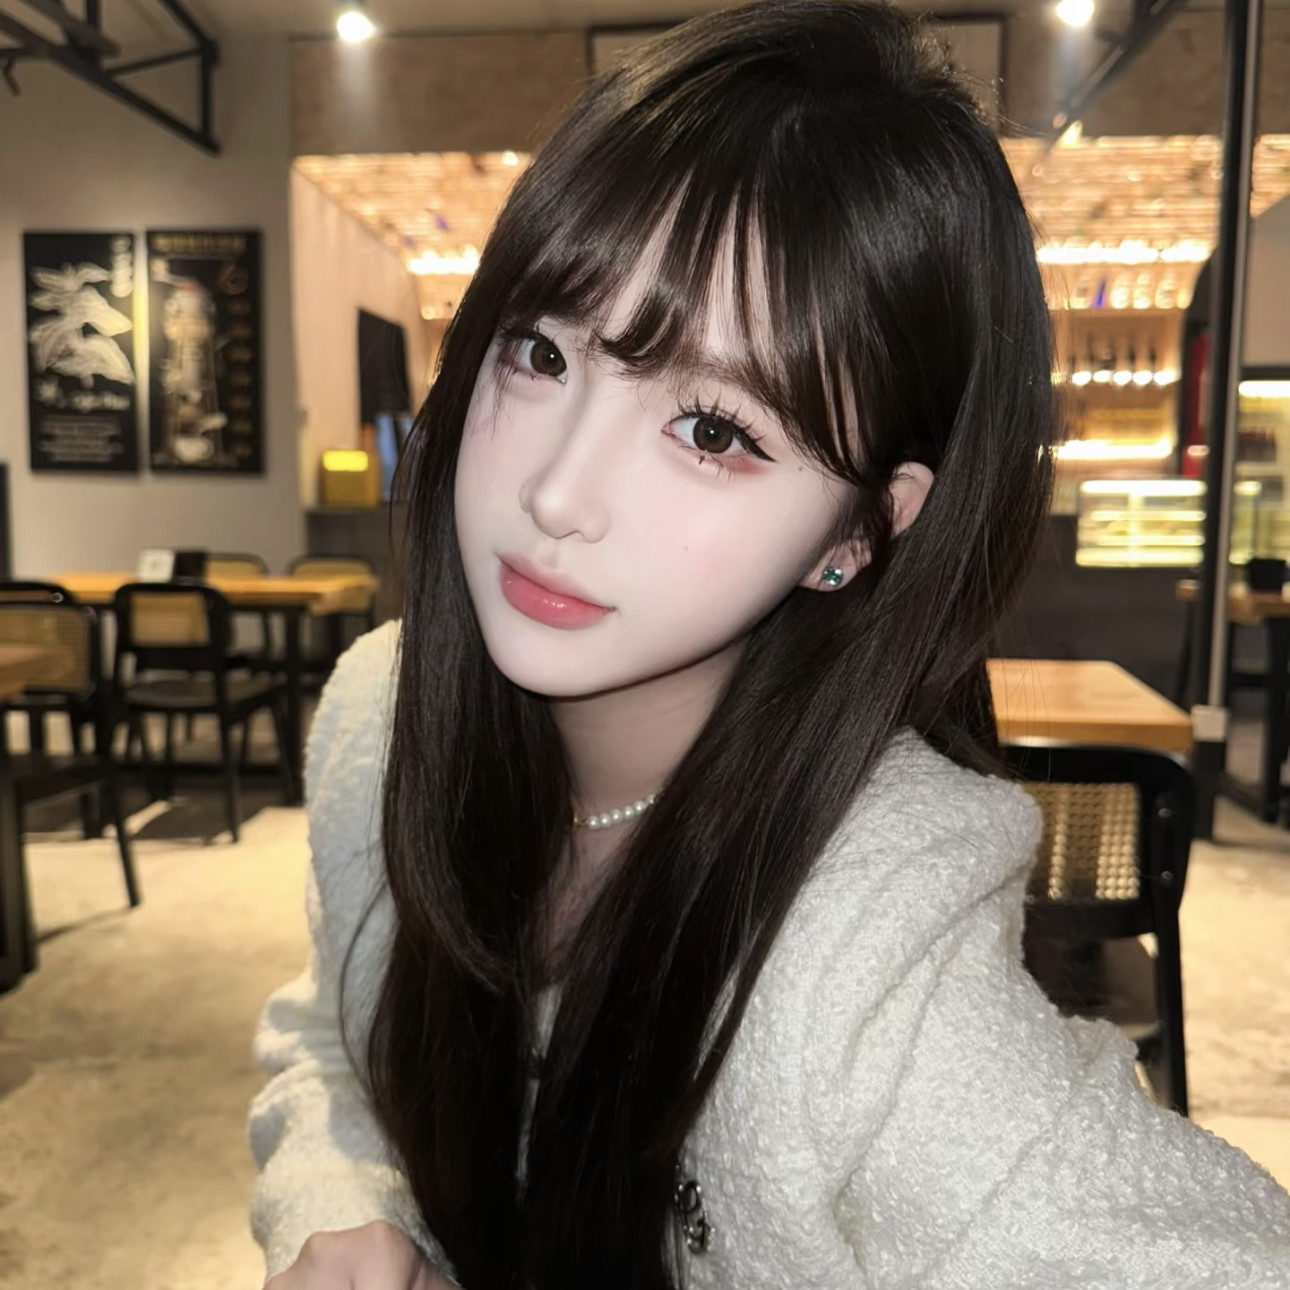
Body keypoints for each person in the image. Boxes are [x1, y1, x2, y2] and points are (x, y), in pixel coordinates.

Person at [248, 3, 1290, 1287]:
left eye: (713, 432)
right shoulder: (381, 717)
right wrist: (342, 1197)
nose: (558, 493)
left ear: (857, 530)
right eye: (540, 352)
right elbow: (335, 1032)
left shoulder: (863, 946)